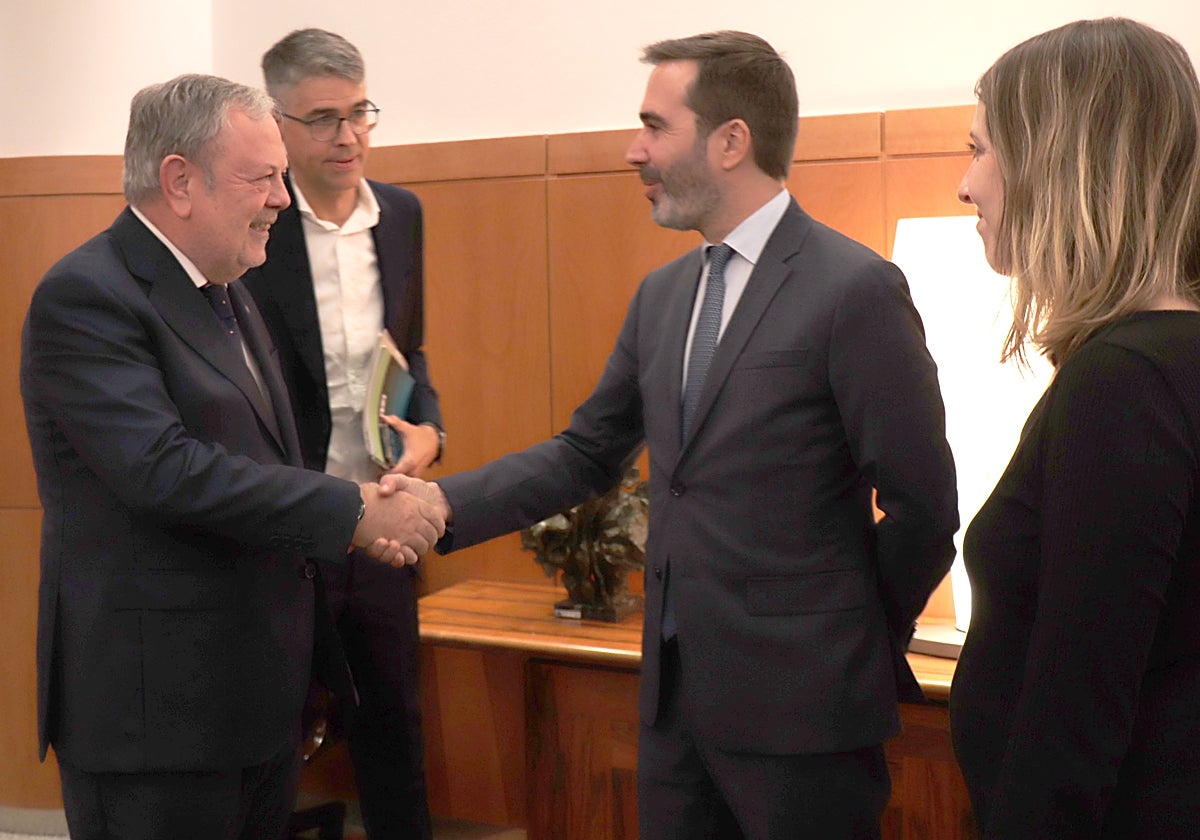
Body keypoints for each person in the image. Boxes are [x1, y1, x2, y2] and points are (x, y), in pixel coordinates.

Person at [389, 30, 958, 839]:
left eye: (654, 126)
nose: (633, 150)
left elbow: (924, 507)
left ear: (731, 141)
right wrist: (441, 504)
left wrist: (854, 639)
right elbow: (587, 453)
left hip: (806, 719)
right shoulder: (662, 296)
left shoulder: (854, 289)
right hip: (671, 715)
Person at [19, 74, 444, 840]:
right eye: (265, 177)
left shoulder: (229, 288)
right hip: (158, 722)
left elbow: (258, 458)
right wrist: (350, 508)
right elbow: (163, 470)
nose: (284, 197)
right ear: (180, 181)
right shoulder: (86, 296)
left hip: (252, 706)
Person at [950, 18, 1200, 838]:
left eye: (981, 148)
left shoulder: (1124, 383)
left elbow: (1075, 719)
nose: (967, 184)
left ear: (1059, 163)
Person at [241, 28, 444, 839]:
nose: (349, 136)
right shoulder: (257, 224)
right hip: (290, 523)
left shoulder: (401, 214)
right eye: (323, 118)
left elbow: (411, 348)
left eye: (360, 112)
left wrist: (428, 430)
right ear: (278, 126)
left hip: (384, 519)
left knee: (396, 724)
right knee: (273, 729)